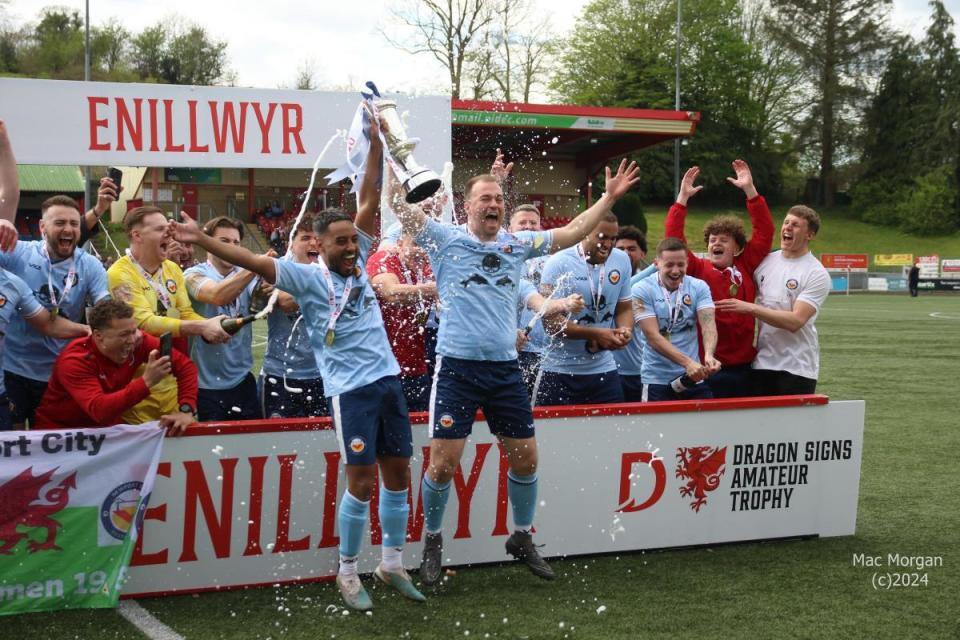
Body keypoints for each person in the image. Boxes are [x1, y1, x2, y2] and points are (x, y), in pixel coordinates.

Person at [171, 117, 426, 610]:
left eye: (354, 240)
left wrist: (374, 144)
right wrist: (202, 242)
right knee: (362, 479)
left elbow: (369, 199)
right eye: (341, 242)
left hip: (388, 382)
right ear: (320, 244)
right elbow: (252, 261)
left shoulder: (363, 252)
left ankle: (392, 562)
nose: (352, 247)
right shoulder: (306, 278)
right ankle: (348, 572)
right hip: (350, 392)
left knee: (399, 473)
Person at [392, 155, 640, 586]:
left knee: (526, 460)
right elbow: (400, 208)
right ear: (466, 206)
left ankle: (521, 537)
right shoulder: (444, 240)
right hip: (457, 370)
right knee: (443, 464)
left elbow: (573, 231)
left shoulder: (515, 245)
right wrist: (391, 155)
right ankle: (433, 539)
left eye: (497, 199)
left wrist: (609, 197)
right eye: (483, 198)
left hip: (505, 370)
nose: (492, 204)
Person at [108, 206, 229, 424]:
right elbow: (142, 322)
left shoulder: (172, 269)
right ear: (137, 235)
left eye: (169, 228)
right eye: (160, 229)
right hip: (136, 386)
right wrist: (202, 327)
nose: (169, 233)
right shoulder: (120, 273)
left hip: (172, 382)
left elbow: (185, 313)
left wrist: (214, 324)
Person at [0, 195, 111, 427]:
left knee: (50, 446)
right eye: (59, 223)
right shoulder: (18, 253)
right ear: (42, 227)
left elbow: (105, 312)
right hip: (13, 368)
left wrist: (113, 322)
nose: (68, 229)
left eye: (73, 223)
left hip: (59, 371)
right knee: (14, 444)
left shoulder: (90, 265)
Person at [665, 161, 774, 397]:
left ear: (737, 246)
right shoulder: (696, 268)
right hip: (707, 365)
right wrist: (682, 199)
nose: (716, 243)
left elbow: (765, 231)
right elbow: (673, 238)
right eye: (713, 239)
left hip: (745, 366)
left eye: (724, 239)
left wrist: (750, 191)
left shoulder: (746, 265)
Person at [715, 206, 830, 395]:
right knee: (759, 423)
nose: (788, 228)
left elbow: (796, 321)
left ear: (810, 235)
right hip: (762, 364)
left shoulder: (816, 273)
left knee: (791, 425)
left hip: (797, 368)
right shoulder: (766, 261)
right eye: (786, 223)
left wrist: (751, 308)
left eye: (796, 225)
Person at [34, 299, 197, 433]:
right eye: (124, 334)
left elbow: (185, 367)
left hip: (107, 434)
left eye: (134, 331)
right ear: (99, 336)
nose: (132, 340)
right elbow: (99, 410)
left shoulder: (139, 342)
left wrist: (185, 410)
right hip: (61, 434)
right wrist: (146, 382)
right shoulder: (76, 359)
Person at [535, 212, 634, 406]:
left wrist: (625, 330)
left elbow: (624, 308)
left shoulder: (622, 260)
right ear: (585, 232)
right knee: (550, 435)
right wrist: (596, 334)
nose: (608, 245)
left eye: (613, 239)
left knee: (613, 432)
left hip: (603, 369)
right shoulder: (558, 262)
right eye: (602, 237)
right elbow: (550, 323)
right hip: (558, 370)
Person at [184, 217, 263, 422]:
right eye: (224, 241)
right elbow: (217, 295)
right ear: (209, 244)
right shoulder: (194, 274)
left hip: (243, 380)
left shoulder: (247, 275)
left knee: (252, 445)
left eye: (236, 243)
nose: (232, 247)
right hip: (206, 385)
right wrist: (256, 266)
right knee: (214, 450)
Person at [0, 268, 92, 430]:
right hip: (12, 375)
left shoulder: (12, 284)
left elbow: (47, 324)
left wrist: (86, 330)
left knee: (11, 450)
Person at [259, 212, 329, 419]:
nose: (313, 243)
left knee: (324, 441)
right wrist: (328, 284)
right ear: (291, 243)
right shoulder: (276, 268)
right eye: (305, 238)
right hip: (280, 375)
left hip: (322, 374)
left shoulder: (329, 270)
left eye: (317, 238)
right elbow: (285, 303)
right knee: (279, 442)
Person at [633, 238, 721, 401]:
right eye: (669, 265)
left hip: (693, 377)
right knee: (656, 427)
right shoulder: (641, 289)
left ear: (687, 263)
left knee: (704, 425)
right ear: (657, 263)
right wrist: (688, 363)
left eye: (681, 265)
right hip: (656, 379)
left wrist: (709, 355)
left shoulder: (699, 286)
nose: (675, 271)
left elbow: (708, 324)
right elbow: (653, 337)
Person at [367, 232, 438, 412]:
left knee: (419, 434)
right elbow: (391, 293)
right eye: (415, 243)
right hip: (381, 372)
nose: (421, 250)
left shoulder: (430, 266)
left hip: (417, 370)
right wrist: (437, 290)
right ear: (399, 244)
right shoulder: (383, 259)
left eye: (426, 245)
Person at [509, 205, 549, 393]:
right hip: (514, 347)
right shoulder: (504, 258)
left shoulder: (552, 259)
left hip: (545, 349)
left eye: (533, 223)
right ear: (510, 229)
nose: (528, 226)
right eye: (522, 222)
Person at [614, 226, 654, 401]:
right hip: (608, 370)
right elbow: (622, 291)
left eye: (631, 249)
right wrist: (653, 268)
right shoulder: (603, 281)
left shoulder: (651, 286)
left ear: (642, 253)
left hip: (639, 370)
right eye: (620, 249)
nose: (625, 253)